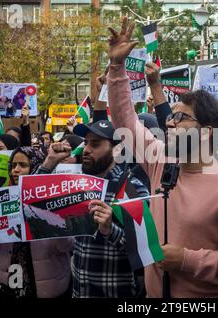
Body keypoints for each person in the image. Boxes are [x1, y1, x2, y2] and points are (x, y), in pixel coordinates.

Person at [105, 17, 218, 297]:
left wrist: (187, 260)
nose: (170, 123)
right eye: (171, 117)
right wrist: (117, 68)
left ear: (207, 132)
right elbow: (125, 120)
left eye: (180, 117)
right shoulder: (159, 160)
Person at [37, 120, 150, 298]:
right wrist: (49, 163)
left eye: (95, 144)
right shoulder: (76, 184)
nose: (87, 149)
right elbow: (33, 202)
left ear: (117, 150)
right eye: (86, 142)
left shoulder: (131, 189)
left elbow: (146, 251)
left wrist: (109, 230)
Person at [0, 146, 74, 298]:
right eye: (13, 165)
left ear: (35, 166)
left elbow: (66, 246)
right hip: (10, 286)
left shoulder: (52, 199)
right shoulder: (2, 199)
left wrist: (60, 224)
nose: (15, 170)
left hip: (48, 288)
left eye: (23, 165)